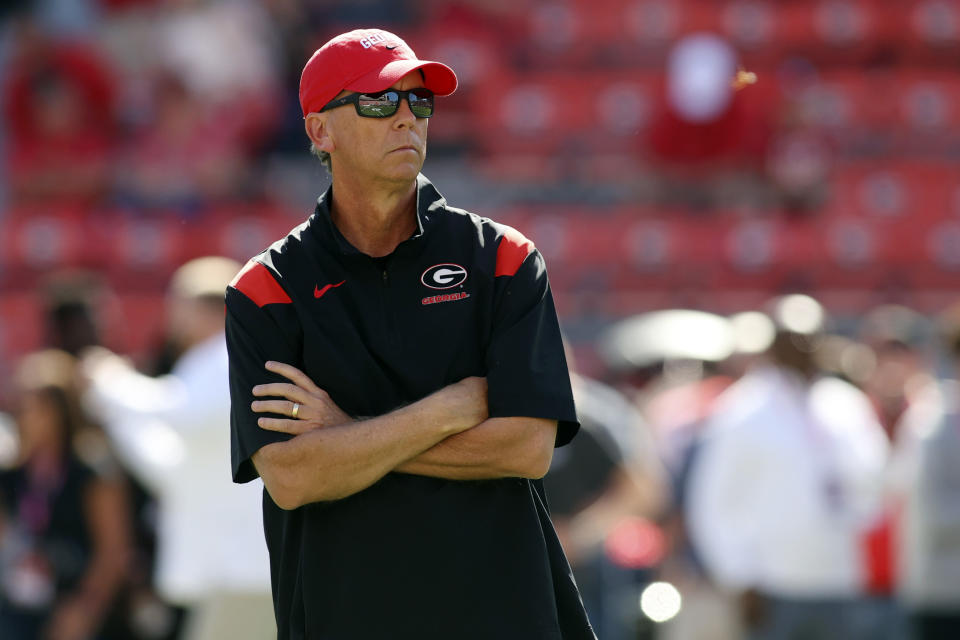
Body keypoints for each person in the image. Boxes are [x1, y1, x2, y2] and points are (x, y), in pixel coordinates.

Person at [225, 28, 595, 640]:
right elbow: (292, 479)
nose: (406, 117)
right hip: (345, 616)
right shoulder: (267, 287)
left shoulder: (504, 257)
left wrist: (347, 438)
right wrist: (450, 409)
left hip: (504, 617)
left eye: (418, 101)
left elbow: (527, 448)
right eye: (378, 101)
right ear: (320, 131)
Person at [82, 257, 274, 640]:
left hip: (246, 567)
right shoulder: (209, 363)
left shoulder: (227, 356)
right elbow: (169, 463)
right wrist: (113, 410)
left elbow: (177, 410)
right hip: (231, 570)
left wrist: (109, 380)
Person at [685, 295, 889, 640]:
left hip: (837, 577)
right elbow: (712, 501)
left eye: (810, 336)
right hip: (774, 584)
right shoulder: (743, 411)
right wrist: (739, 576)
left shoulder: (844, 405)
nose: (802, 346)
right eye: (791, 337)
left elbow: (876, 482)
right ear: (773, 344)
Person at [0, 349, 131, 640]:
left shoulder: (94, 470)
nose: (26, 417)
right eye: (21, 407)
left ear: (62, 410)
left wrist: (83, 611)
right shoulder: (11, 474)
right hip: (20, 609)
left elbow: (113, 553)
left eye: (36, 407)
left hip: (82, 610)